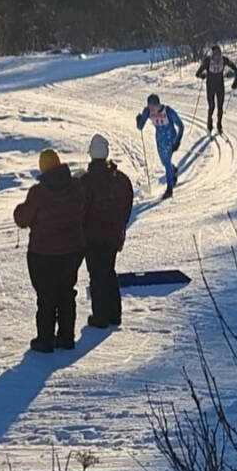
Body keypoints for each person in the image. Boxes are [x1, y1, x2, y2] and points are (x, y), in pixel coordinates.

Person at [13, 148, 86, 353]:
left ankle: (45, 340)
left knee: (46, 296)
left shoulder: (38, 192)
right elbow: (83, 206)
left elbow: (22, 219)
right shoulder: (76, 186)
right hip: (73, 249)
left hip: (43, 252)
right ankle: (66, 337)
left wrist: (19, 210)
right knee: (65, 292)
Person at [81, 134, 134, 328]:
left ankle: (101, 316)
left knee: (97, 274)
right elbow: (127, 203)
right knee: (109, 272)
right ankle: (114, 314)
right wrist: (121, 223)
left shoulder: (86, 181)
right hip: (113, 235)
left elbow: (82, 208)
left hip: (92, 235)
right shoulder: (120, 179)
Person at [136, 93, 184, 200]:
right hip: (160, 139)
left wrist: (177, 141)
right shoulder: (147, 111)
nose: (151, 110)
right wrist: (139, 121)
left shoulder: (168, 111)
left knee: (166, 162)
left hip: (170, 136)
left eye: (153, 107)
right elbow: (140, 127)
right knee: (164, 162)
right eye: (149, 107)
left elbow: (181, 126)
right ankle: (173, 170)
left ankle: (169, 189)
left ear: (158, 105)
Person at [195, 44, 237, 134]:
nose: (217, 56)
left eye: (218, 54)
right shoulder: (207, 61)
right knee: (211, 107)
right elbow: (197, 73)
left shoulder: (224, 60)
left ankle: (219, 126)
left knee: (220, 108)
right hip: (210, 87)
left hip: (220, 87)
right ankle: (209, 127)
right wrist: (202, 76)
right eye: (215, 54)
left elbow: (236, 70)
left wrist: (235, 82)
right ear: (212, 54)